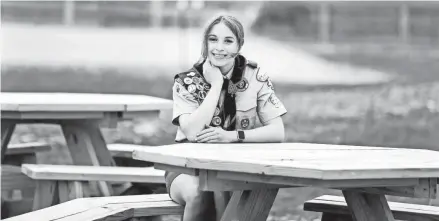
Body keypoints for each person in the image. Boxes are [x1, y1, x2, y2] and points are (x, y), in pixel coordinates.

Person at [167, 14, 287, 221]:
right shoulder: (187, 81)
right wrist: (216, 85)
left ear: (239, 44)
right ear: (205, 42)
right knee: (201, 192)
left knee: (235, 194)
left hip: (237, 168)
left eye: (228, 41)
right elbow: (192, 132)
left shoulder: (255, 78)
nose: (219, 48)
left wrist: (232, 136)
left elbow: (277, 131)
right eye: (213, 39)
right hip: (188, 169)